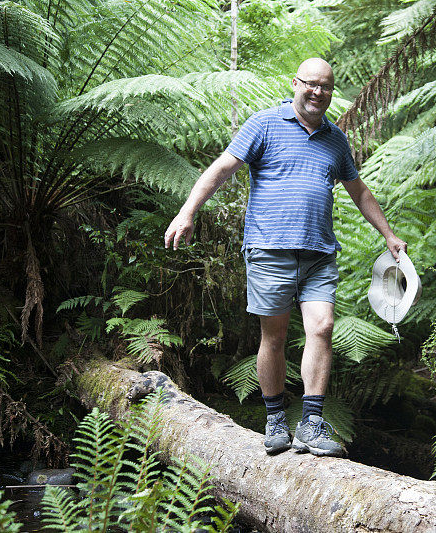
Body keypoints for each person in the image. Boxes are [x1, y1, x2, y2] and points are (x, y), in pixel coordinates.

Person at [164, 58, 406, 458]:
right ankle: (275, 417)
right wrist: (188, 211)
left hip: (318, 254)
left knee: (323, 327)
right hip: (269, 250)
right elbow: (223, 168)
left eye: (326, 86)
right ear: (295, 83)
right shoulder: (264, 124)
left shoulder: (335, 139)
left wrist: (390, 235)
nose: (318, 93)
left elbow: (359, 191)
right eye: (311, 84)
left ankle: (310, 424)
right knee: (273, 338)